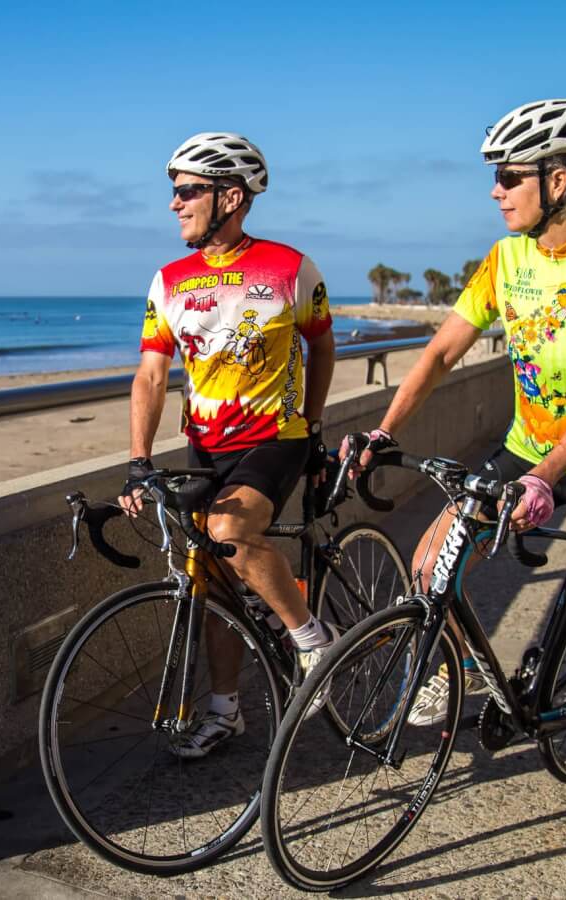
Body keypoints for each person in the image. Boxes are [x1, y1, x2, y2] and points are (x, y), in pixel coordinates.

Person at [344, 97, 566, 879]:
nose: (495, 190)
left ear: (560, 179)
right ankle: (452, 672)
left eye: (508, 175)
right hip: (526, 449)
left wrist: (548, 479)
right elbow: (441, 354)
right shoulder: (505, 260)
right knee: (431, 568)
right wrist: (385, 430)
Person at [121, 131, 337, 758]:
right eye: (175, 191)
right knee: (212, 577)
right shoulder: (170, 280)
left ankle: (311, 640)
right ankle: (225, 711)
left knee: (231, 535)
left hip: (277, 437)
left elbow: (322, 344)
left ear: (230, 196)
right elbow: (151, 374)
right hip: (204, 446)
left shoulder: (290, 269)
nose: (174, 204)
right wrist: (139, 461)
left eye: (186, 191)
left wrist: (315, 422)